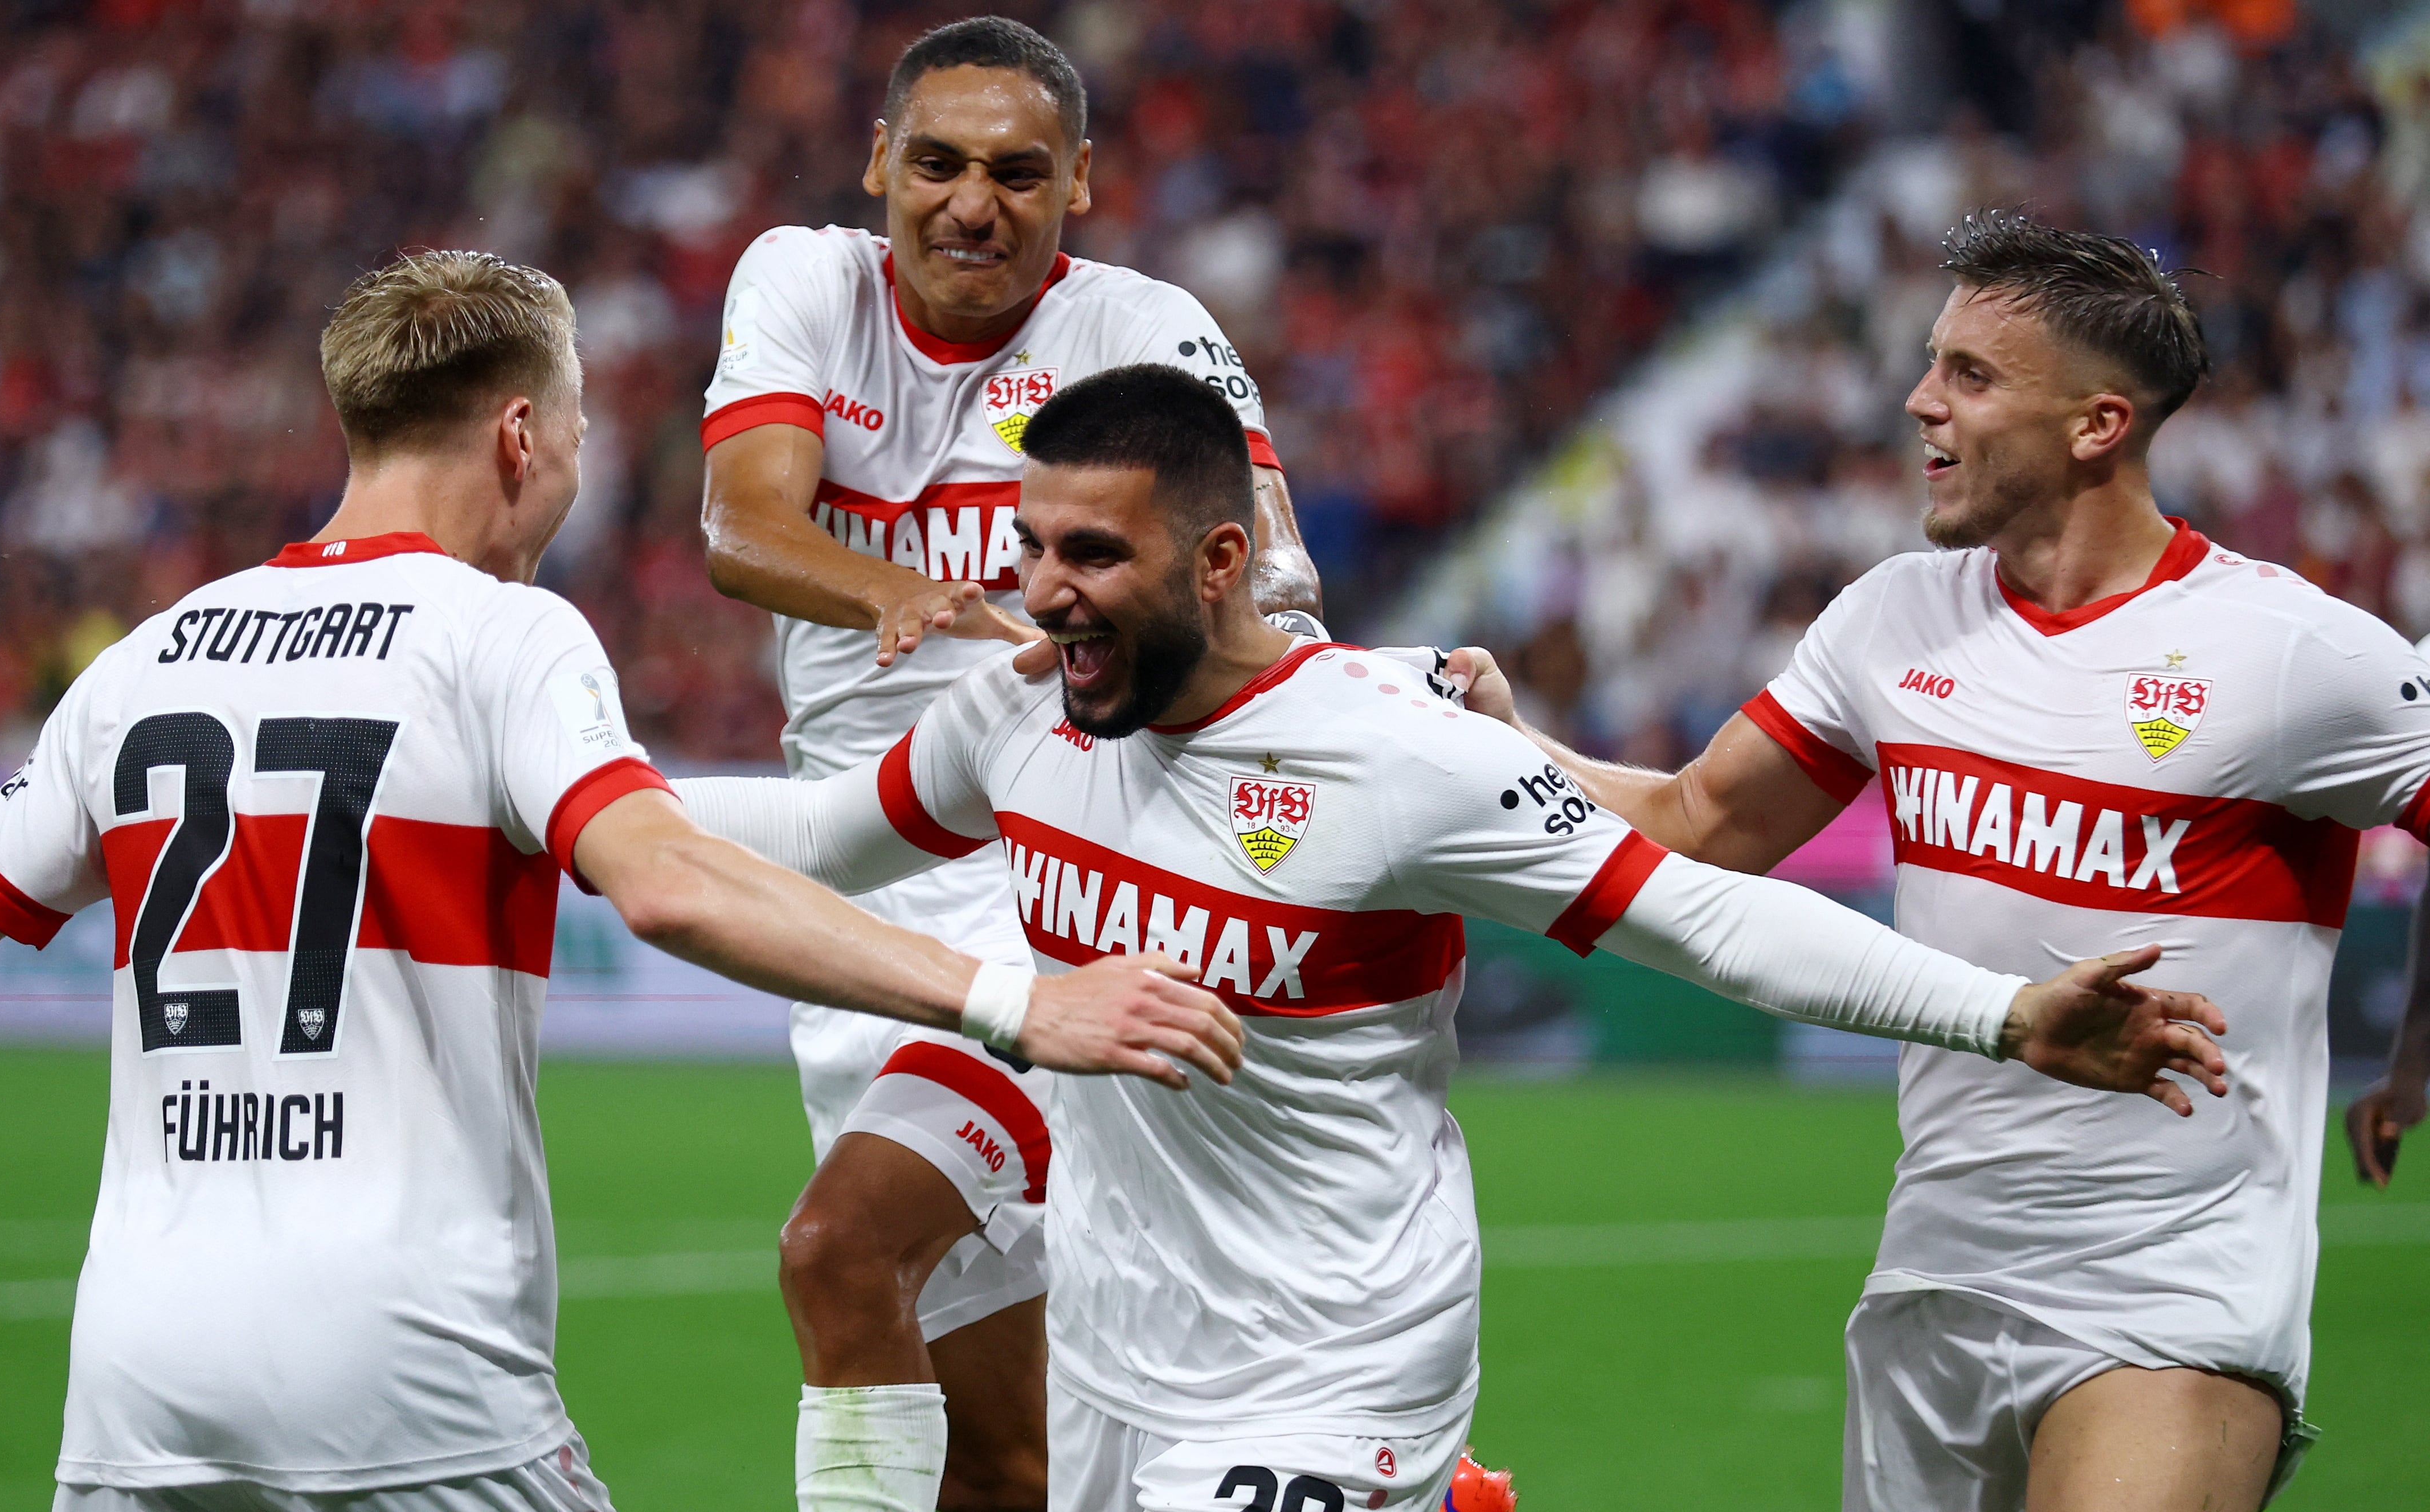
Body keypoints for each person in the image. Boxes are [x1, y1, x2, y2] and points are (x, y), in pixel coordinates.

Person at [0, 252, 1245, 1512]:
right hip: (412, 1372)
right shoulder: (502, 638)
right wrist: (1013, 1000)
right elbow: (667, 886)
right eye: (587, 434)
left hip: (139, 1387)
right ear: (524, 433)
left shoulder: (143, 663)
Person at [672, 363, 2231, 1512]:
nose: (1046, 598)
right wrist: (577, 803)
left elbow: (1708, 923)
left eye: (1095, 557)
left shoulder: (1397, 754)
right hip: (1114, 1367)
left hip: (1335, 1374)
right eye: (1033, 549)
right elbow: (818, 843)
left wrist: (2004, 1014)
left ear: (1221, 563)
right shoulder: (1018, 717)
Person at [1448, 213, 2430, 1511]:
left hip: (2170, 1289)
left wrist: (2413, 1051)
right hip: (1933, 1276)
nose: (1919, 401)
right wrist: (1504, 745)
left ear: (2097, 425)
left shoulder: (2289, 651)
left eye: (1969, 374)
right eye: (1930, 363)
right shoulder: (1893, 614)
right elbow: (1695, 818)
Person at [696, 18, 1322, 1510]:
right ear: (878, 167)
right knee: (1003, 1461)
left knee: (841, 1252)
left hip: (1058, 903)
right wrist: (902, 594)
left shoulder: (1143, 329)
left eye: (1018, 173)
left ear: (1080, 186)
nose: (972, 204)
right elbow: (740, 526)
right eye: (939, 165)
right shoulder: (805, 284)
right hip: (858, 922)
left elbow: (1282, 598)